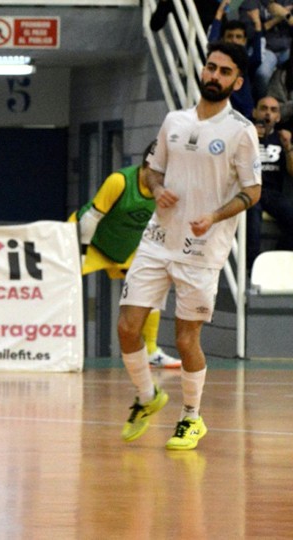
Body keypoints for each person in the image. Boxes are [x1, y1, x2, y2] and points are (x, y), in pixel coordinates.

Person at [117, 41, 260, 451]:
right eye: (210, 67)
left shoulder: (240, 131)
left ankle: (191, 418)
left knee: (185, 340)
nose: (214, 75)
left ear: (237, 81)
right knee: (127, 328)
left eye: (224, 71)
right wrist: (158, 189)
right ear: (202, 71)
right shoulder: (173, 120)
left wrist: (214, 217)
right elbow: (152, 171)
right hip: (158, 239)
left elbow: (253, 191)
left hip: (202, 249)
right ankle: (147, 398)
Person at [70, 142, 182, 370]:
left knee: (151, 291)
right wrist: (80, 253)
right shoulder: (119, 181)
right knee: (61, 287)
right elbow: (91, 218)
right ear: (150, 165)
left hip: (124, 248)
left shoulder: (167, 190)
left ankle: (151, 351)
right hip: (88, 241)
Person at [247, 95, 293, 262]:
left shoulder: (282, 138)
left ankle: (274, 261)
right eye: (263, 108)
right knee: (253, 215)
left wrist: (288, 148)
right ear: (254, 112)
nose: (268, 113)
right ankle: (251, 266)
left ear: (278, 117)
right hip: (250, 189)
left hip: (273, 193)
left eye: (273, 110)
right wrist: (248, 137)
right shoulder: (244, 135)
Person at [208, 6, 262, 120]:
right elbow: (212, 43)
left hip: (245, 113)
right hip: (223, 111)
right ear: (223, 39)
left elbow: (257, 58)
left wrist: (257, 25)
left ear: (244, 41)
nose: (234, 40)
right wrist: (219, 13)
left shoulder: (245, 61)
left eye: (238, 37)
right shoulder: (217, 59)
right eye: (230, 36)